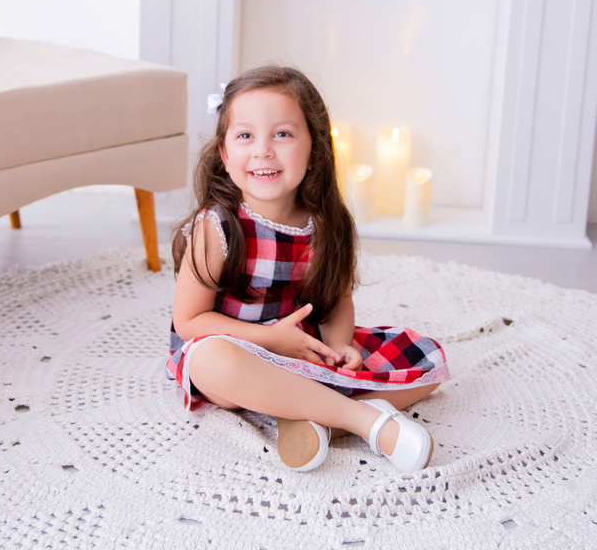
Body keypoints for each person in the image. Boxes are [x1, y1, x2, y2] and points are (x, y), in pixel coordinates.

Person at [166, 65, 449, 473]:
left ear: (315, 149)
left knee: (428, 366)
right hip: (233, 347)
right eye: (245, 135)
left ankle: (311, 420)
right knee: (213, 362)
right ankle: (363, 420)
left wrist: (340, 346)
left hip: (300, 349)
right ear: (225, 155)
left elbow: (335, 301)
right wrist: (267, 339)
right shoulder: (218, 228)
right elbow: (189, 321)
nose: (263, 150)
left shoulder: (326, 225)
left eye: (282, 134)